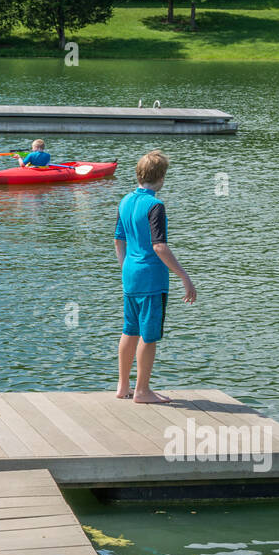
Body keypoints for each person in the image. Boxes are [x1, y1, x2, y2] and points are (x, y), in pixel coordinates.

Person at [113, 149, 196, 403]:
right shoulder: (155, 205)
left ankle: (123, 386)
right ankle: (142, 391)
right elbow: (159, 246)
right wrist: (184, 276)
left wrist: (126, 268)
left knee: (130, 330)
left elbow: (118, 240)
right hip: (151, 278)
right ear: (161, 178)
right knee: (148, 336)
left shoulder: (125, 200)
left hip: (130, 274)